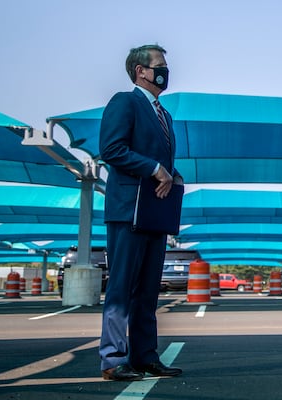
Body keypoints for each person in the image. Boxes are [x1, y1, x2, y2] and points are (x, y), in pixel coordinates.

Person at [99, 44, 184, 381]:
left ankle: (146, 356)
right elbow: (112, 149)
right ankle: (113, 359)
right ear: (141, 71)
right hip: (127, 210)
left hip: (154, 212)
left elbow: (163, 162)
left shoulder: (165, 114)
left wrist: (171, 176)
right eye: (159, 66)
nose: (165, 71)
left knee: (148, 290)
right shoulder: (125, 102)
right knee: (121, 288)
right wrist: (153, 168)